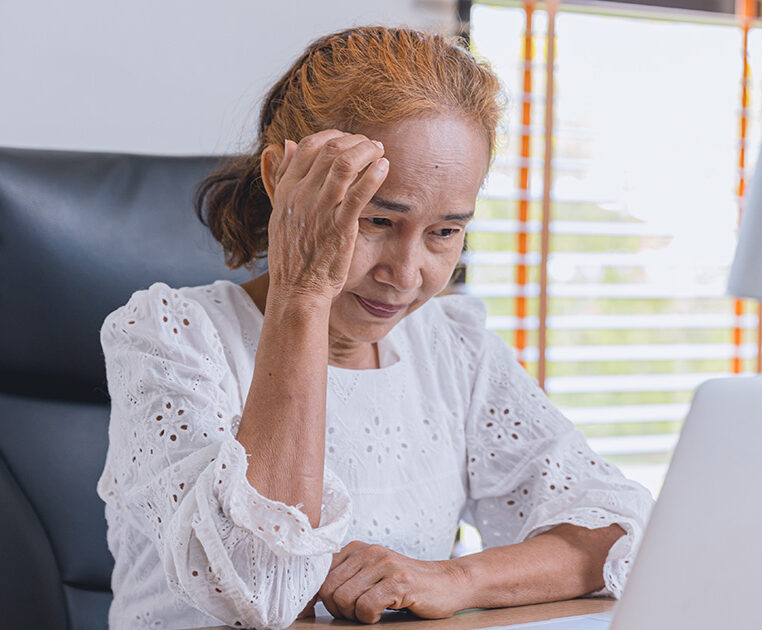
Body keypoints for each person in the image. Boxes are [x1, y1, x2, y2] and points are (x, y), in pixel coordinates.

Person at [97, 25, 653, 630]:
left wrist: (454, 577)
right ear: (287, 186)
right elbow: (261, 587)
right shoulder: (169, 336)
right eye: (378, 220)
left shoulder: (452, 346)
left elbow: (614, 531)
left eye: (444, 232)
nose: (406, 274)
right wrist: (302, 292)